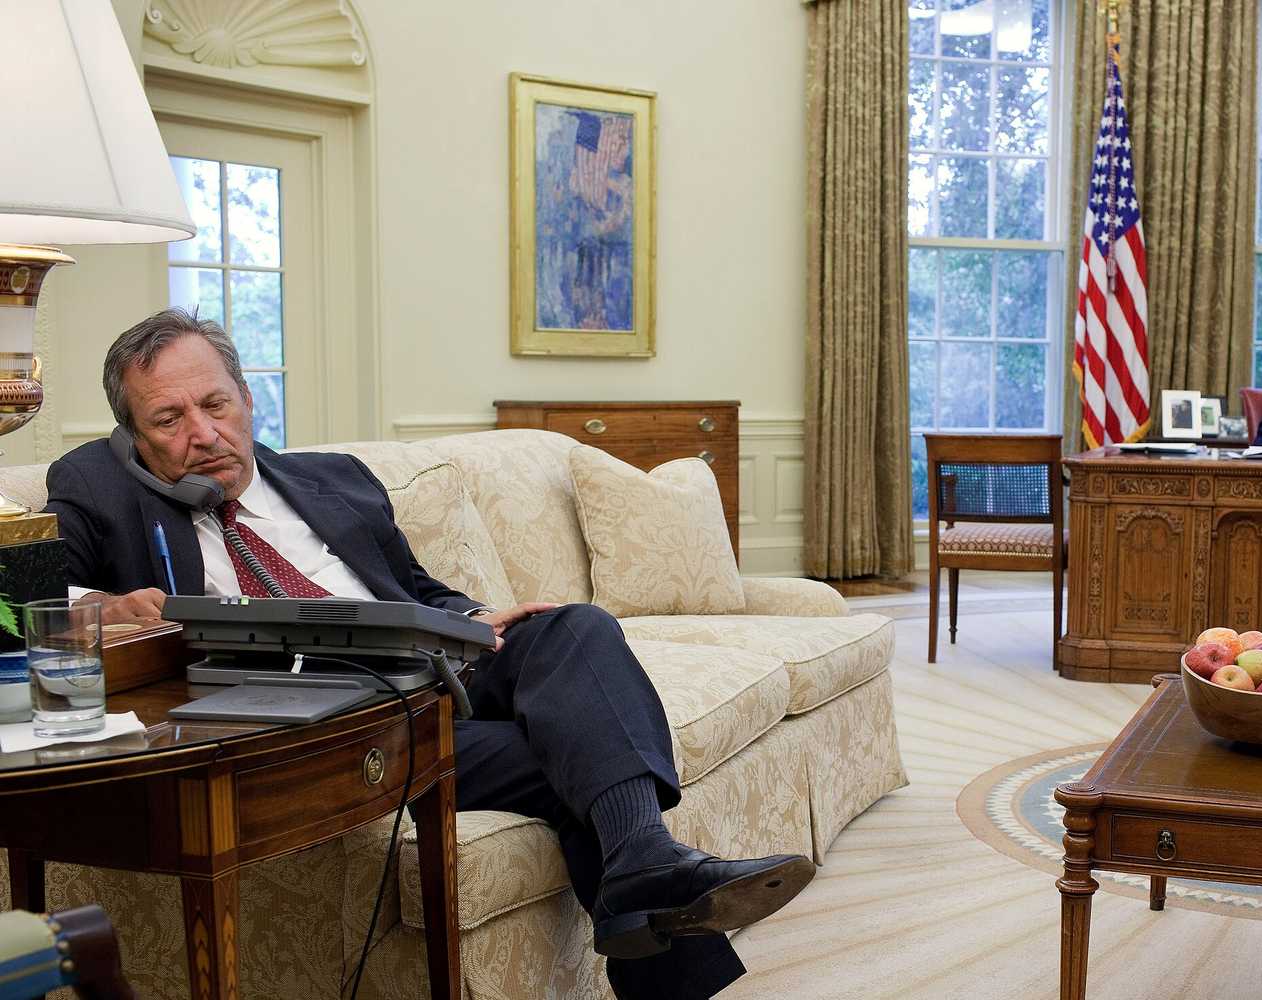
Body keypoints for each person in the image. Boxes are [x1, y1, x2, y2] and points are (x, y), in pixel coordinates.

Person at [45, 309, 813, 1000]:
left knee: (574, 626)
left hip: (438, 666)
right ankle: (651, 890)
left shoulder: (333, 479)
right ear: (134, 440)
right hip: (341, 717)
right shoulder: (97, 487)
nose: (203, 434)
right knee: (574, 752)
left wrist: (475, 615)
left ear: (246, 398)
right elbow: (22, 602)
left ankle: (645, 857)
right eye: (169, 420)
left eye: (214, 405)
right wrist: (100, 607)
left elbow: (415, 588)